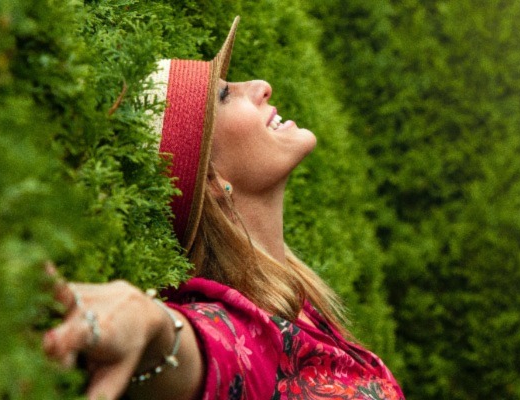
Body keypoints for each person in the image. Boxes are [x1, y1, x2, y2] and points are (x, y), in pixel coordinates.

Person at [42, 16, 404, 400]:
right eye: (224, 96)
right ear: (212, 180)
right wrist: (152, 326)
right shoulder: (239, 329)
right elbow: (204, 348)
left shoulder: (299, 302)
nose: (262, 87)